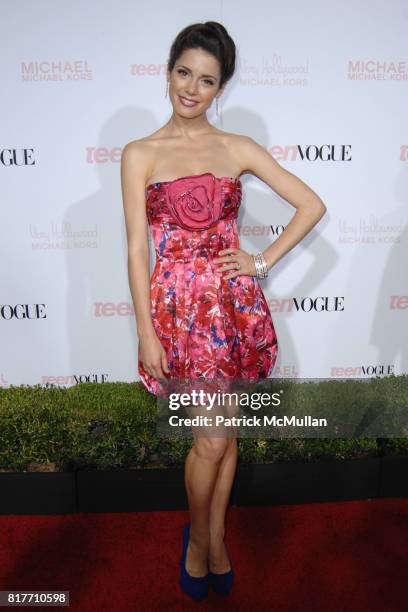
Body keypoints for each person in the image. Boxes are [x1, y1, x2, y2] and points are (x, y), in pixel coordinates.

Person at [121, 21, 327, 600]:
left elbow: (311, 205)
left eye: (206, 80)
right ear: (167, 73)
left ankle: (212, 536)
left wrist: (260, 262)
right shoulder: (139, 154)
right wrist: (145, 330)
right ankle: (199, 545)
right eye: (183, 73)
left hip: (233, 309)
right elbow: (138, 247)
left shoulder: (236, 147)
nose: (191, 88)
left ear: (221, 88)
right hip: (178, 314)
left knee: (225, 435)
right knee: (209, 440)